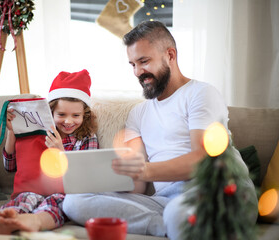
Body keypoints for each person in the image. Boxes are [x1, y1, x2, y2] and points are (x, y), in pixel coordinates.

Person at [62, 21, 257, 239]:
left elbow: (203, 160)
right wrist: (113, 175)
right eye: (132, 64)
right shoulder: (138, 113)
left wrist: (145, 170)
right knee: (75, 202)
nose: (137, 72)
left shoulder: (201, 94)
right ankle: (172, 226)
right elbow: (136, 184)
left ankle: (180, 223)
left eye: (144, 61)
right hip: (167, 202)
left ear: (170, 55)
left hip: (218, 192)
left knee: (177, 214)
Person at [0, 69, 99, 235]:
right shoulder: (35, 131)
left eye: (76, 115)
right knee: (25, 198)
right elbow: (9, 167)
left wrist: (61, 151)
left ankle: (34, 222)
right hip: (31, 190)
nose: (68, 121)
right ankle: (10, 219)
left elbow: (84, 179)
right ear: (51, 112)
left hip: (63, 194)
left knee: (57, 204)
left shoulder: (87, 138)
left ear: (85, 115)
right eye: (61, 114)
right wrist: (12, 132)